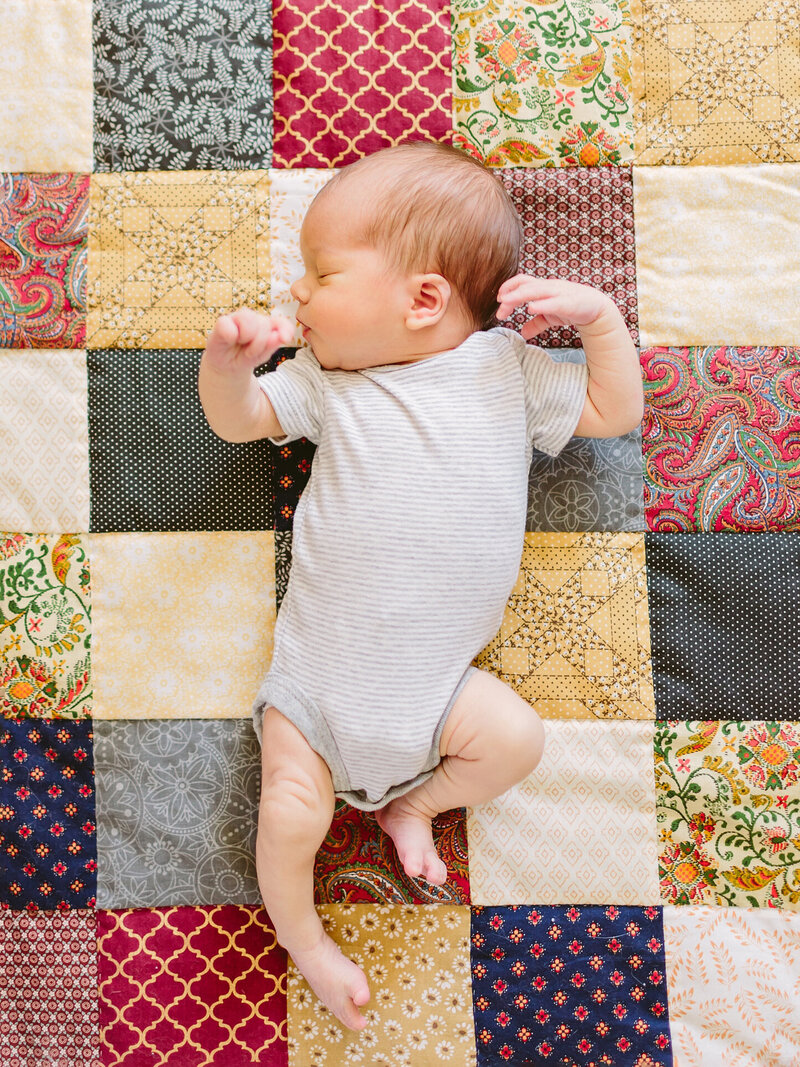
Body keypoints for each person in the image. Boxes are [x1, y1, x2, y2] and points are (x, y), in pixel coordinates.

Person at [198, 140, 643, 1032]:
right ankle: (305, 940)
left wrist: (601, 323)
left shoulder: (506, 372)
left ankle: (417, 804)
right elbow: (240, 423)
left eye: (320, 273)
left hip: (440, 693)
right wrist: (228, 364)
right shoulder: (330, 381)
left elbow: (612, 410)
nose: (298, 293)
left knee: (516, 739)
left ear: (424, 298)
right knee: (291, 813)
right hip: (317, 692)